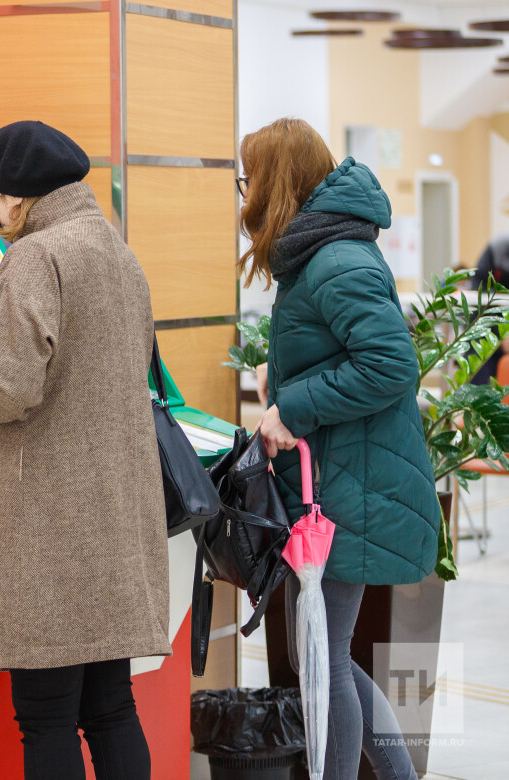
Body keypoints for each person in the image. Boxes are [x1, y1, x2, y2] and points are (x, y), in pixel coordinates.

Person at [0, 120, 169, 780]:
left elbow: (9, 388)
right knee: (110, 708)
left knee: (46, 718)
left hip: (49, 526)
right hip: (113, 516)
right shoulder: (115, 251)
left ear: (16, 196)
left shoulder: (36, 257)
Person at [243, 118, 440, 780]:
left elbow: (390, 365)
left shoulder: (334, 259)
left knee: (322, 657)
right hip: (343, 476)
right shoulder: (323, 251)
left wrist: (293, 407)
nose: (244, 194)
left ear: (276, 182)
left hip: (351, 483)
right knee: (326, 654)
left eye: (248, 179)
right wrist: (281, 380)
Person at [467, 233, 509, 385]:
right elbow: (480, 296)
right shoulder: (497, 249)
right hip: (486, 330)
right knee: (478, 386)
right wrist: (502, 333)